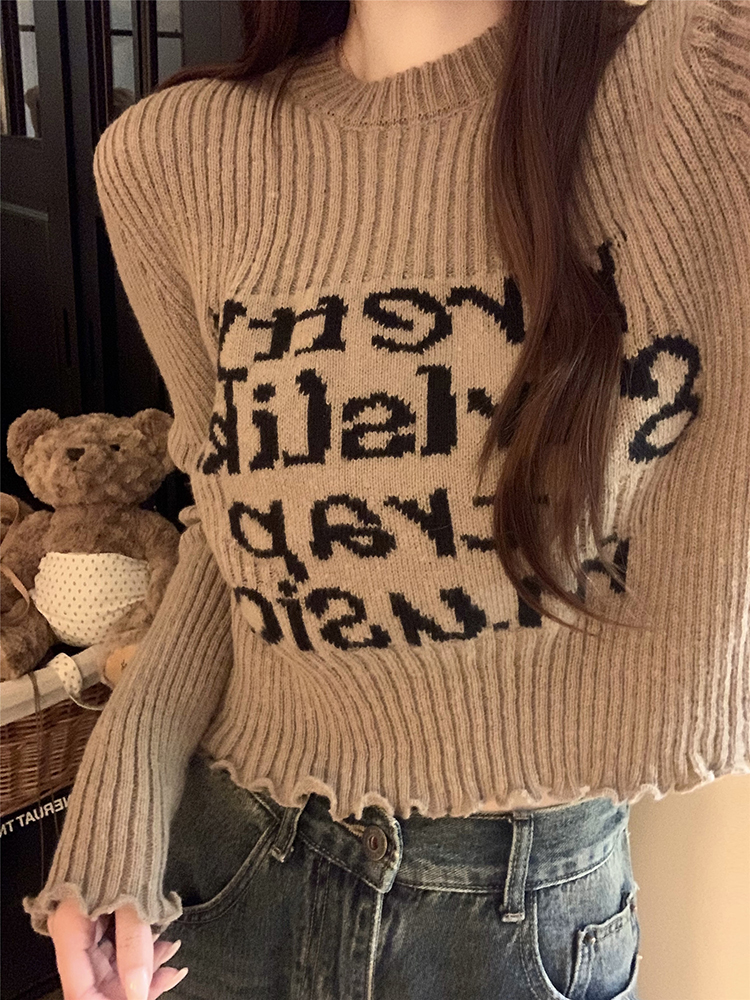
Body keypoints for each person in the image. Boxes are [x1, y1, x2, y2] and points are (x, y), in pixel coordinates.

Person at [21, 1, 750, 998]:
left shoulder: (697, 82)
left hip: (512, 925)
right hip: (228, 877)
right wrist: (117, 813)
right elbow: (229, 541)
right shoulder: (173, 155)